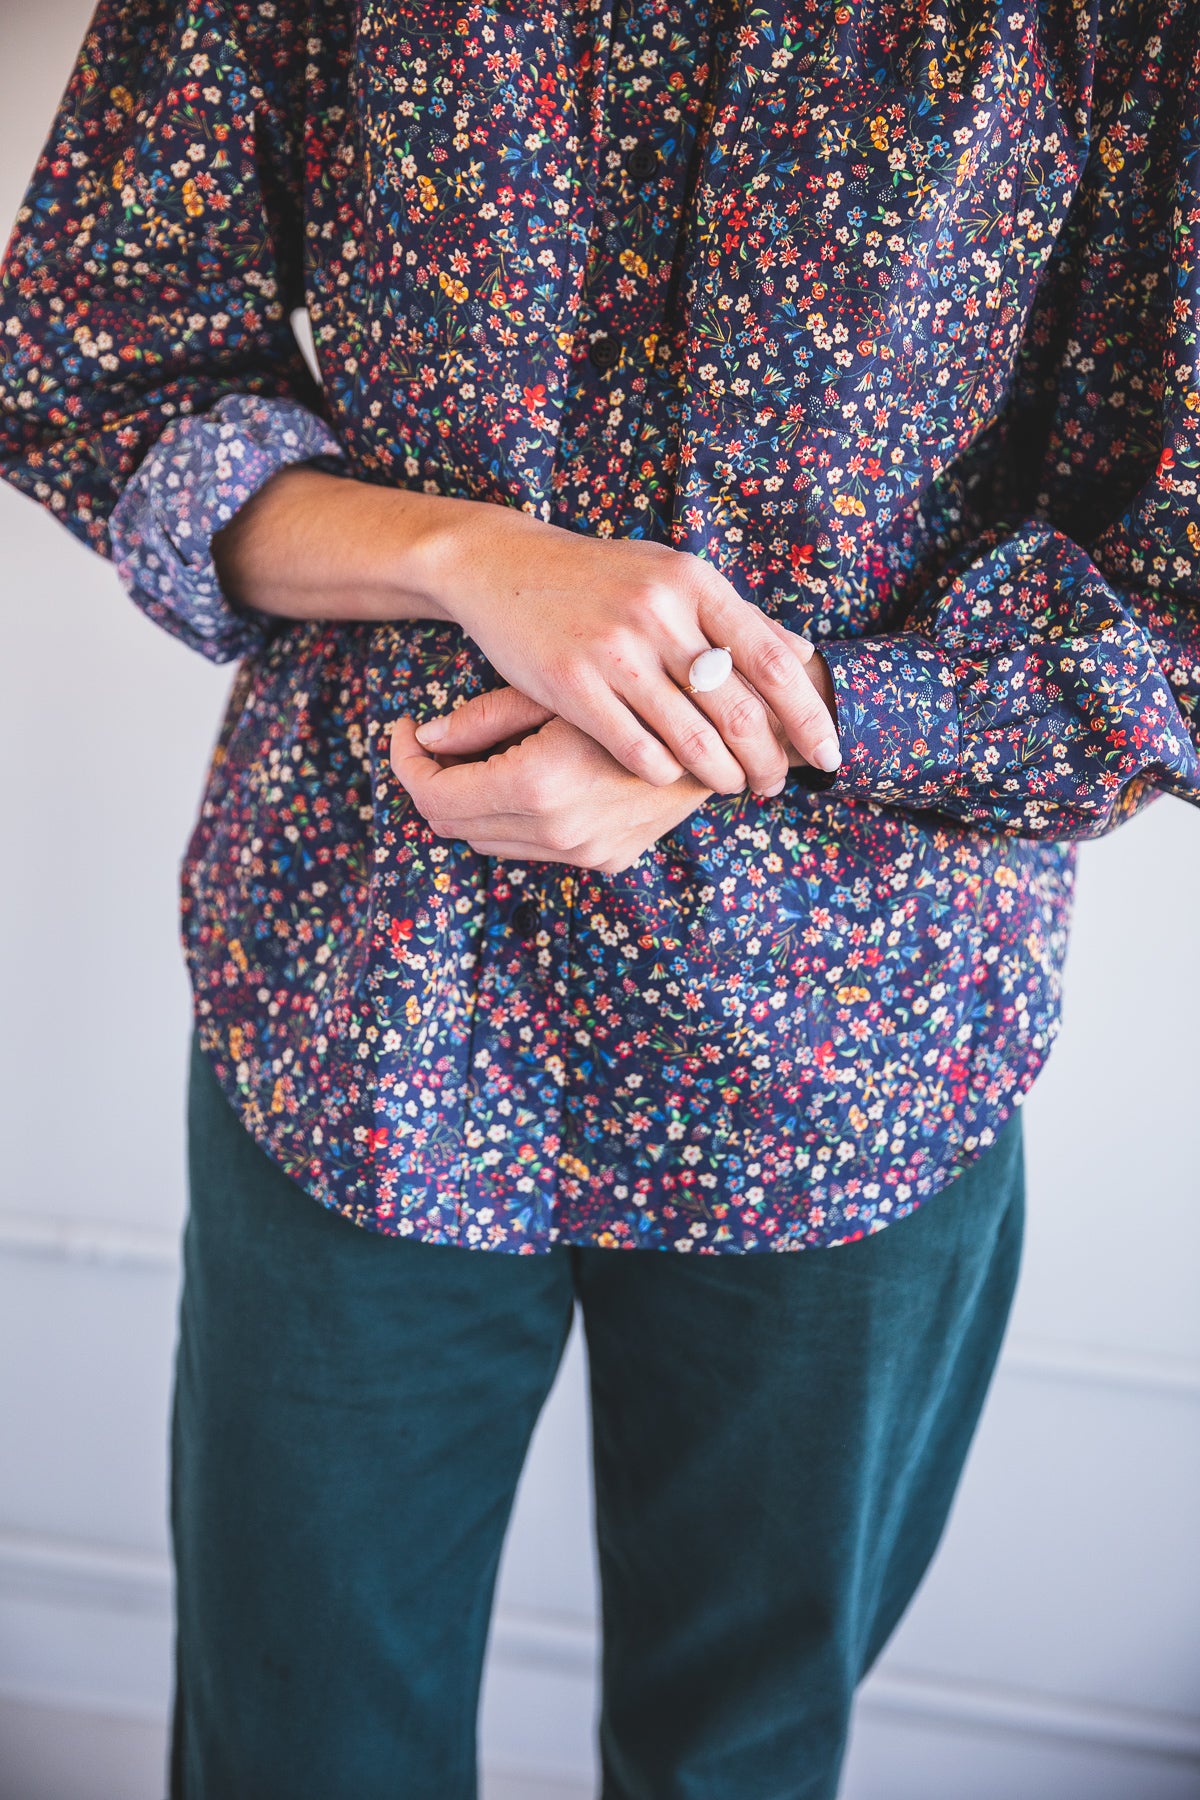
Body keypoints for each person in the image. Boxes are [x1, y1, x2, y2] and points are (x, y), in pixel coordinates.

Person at [2, 0, 1198, 1794]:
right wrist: (473, 557)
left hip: (849, 1049)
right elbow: (92, 366)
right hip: (367, 1007)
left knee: (742, 1758)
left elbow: (1171, 592)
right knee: (294, 1748)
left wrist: (735, 735)